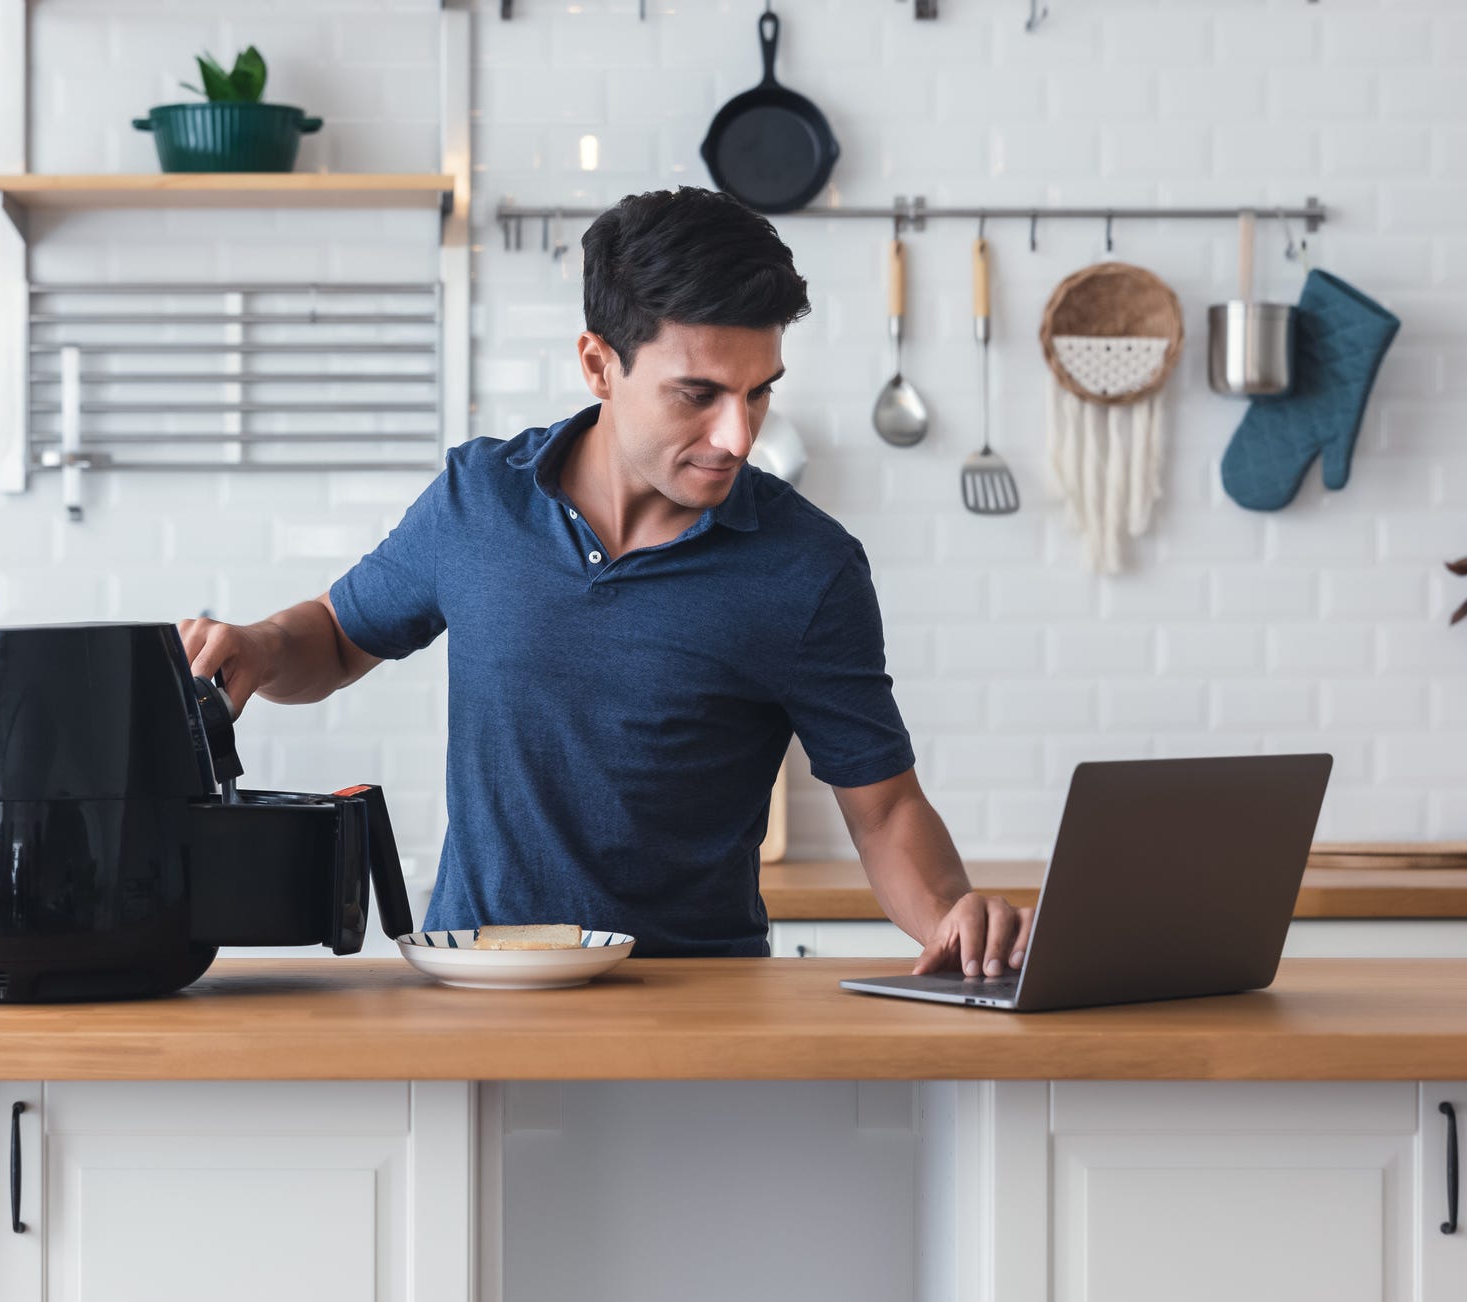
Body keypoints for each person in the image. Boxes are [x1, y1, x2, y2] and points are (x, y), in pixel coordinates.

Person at [179, 185, 1030, 974]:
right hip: (477, 986)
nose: (737, 434)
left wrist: (954, 915)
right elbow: (334, 635)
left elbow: (882, 810)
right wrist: (258, 644)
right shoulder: (477, 501)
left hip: (698, 1006)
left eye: (758, 393)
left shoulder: (807, 567)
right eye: (697, 394)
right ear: (598, 365)